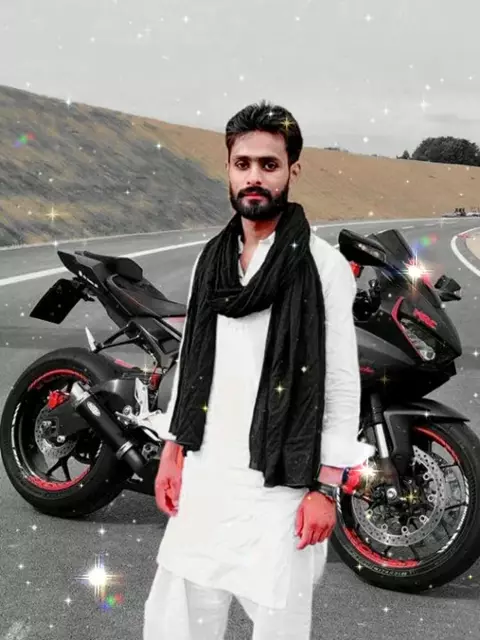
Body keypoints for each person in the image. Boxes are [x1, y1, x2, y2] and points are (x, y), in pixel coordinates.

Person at [143, 100, 375, 639]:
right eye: (242, 163)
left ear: (292, 170)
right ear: (228, 169)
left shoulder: (323, 266)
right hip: (207, 471)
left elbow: (341, 384)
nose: (254, 177)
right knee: (181, 619)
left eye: (269, 165)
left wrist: (326, 489)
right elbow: (194, 358)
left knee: (278, 621)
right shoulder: (212, 259)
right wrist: (173, 451)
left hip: (280, 483)